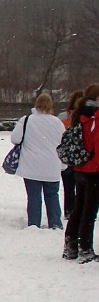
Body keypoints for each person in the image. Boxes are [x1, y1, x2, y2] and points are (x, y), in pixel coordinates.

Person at [10, 93, 65, 229]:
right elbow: (63, 143)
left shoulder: (27, 120)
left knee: (34, 196)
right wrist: (63, 164)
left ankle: (34, 223)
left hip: (31, 165)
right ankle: (55, 223)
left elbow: (15, 139)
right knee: (52, 195)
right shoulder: (57, 122)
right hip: (52, 166)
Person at [63, 84, 99, 262]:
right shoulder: (94, 116)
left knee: (79, 207)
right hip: (93, 168)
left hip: (80, 167)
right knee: (89, 210)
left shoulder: (80, 113)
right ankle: (85, 247)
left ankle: (71, 246)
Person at [58, 90, 83, 218]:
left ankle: (69, 210)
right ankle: (78, 210)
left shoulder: (63, 117)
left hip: (67, 156)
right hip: (81, 155)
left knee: (68, 187)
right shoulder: (87, 116)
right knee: (81, 187)